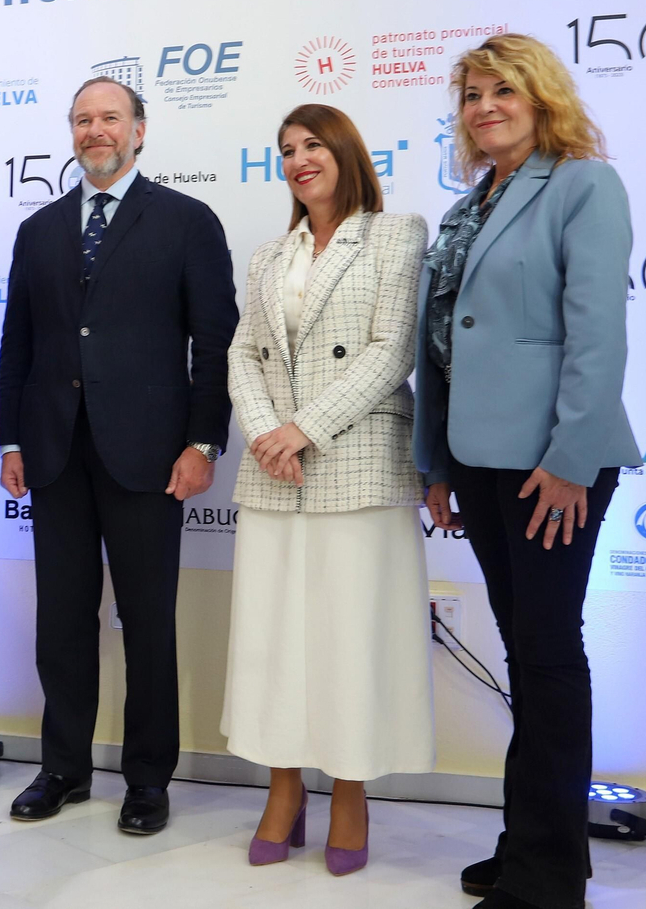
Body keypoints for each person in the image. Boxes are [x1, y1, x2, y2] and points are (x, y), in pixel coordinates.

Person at [414, 34, 640, 909]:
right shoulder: (475, 201)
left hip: (554, 464)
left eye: (502, 89)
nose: (483, 107)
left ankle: (547, 877)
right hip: (479, 461)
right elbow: (443, 341)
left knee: (547, 657)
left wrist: (571, 458)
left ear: (541, 96)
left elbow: (596, 334)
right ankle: (532, 843)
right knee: (528, 653)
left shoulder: (584, 183)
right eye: (470, 94)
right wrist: (435, 462)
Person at [0, 77, 238, 835]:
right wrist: (11, 437)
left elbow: (217, 343)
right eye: (82, 120)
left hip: (150, 458)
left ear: (140, 130)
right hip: (55, 454)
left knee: (147, 622)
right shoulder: (38, 231)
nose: (95, 131)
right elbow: (19, 344)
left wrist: (202, 441)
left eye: (109, 118)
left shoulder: (188, 221)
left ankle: (147, 779)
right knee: (61, 621)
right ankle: (63, 767)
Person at [220, 104, 433, 875]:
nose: (299, 159)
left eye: (313, 145)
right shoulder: (269, 255)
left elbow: (392, 349)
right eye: (286, 150)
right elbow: (242, 350)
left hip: (355, 464)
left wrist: (304, 426)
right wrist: (266, 429)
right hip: (276, 471)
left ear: (344, 151)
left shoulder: (396, 233)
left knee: (349, 638)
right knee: (275, 640)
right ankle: (282, 789)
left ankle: (349, 792)